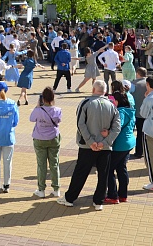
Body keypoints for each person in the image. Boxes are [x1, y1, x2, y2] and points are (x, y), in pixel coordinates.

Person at [57, 80, 120, 210]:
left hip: (87, 146)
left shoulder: (86, 103)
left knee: (80, 173)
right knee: (103, 174)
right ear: (105, 91)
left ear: (93, 90)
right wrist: (105, 142)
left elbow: (80, 124)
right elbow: (116, 127)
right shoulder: (111, 105)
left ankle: (70, 198)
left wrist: (90, 141)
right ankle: (99, 201)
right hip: (105, 146)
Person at [105, 86, 135, 204]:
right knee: (121, 168)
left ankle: (113, 195)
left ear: (117, 101)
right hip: (129, 142)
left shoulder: (120, 112)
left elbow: (117, 127)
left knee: (109, 169)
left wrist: (108, 132)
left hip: (120, 144)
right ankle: (123, 194)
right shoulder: (130, 111)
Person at [30, 86, 61, 198]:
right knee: (54, 164)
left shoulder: (38, 110)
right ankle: (56, 189)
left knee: (41, 164)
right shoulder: (57, 110)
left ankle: (41, 189)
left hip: (39, 139)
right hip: (53, 138)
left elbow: (31, 119)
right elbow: (58, 121)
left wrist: (38, 106)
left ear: (42, 98)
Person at [130, 67, 148, 158]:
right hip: (147, 113)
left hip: (136, 112)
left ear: (137, 73)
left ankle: (138, 152)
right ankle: (145, 151)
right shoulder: (149, 83)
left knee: (136, 133)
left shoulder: (133, 84)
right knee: (144, 133)